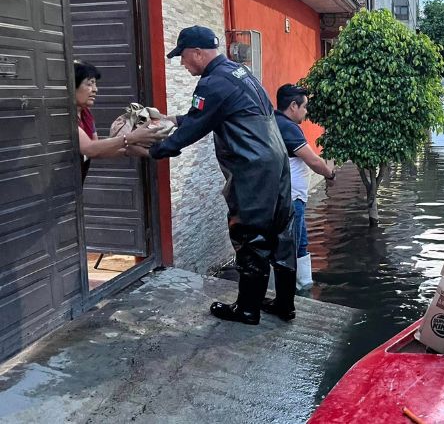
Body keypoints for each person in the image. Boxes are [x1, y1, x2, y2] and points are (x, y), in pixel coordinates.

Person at [129, 26, 295, 325]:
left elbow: (194, 128)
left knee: (251, 236)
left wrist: (153, 151)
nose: (183, 64)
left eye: (183, 57)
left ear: (197, 52)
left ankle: (247, 310)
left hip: (252, 167)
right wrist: (172, 119)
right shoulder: (238, 73)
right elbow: (212, 114)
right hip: (275, 159)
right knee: (280, 232)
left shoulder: (212, 82)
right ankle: (284, 304)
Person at [270, 83, 335, 292]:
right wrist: (330, 173)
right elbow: (313, 161)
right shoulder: (288, 127)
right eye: (305, 107)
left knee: (301, 244)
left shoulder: (273, 121)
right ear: (293, 106)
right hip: (291, 199)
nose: (306, 112)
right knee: (291, 246)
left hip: (291, 197)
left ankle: (304, 286)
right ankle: (290, 294)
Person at [74, 60, 164, 183]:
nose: (95, 89)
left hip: (77, 184)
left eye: (95, 84)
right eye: (89, 84)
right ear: (72, 86)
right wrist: (130, 138)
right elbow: (89, 149)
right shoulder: (64, 116)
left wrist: (135, 151)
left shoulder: (86, 114)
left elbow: (96, 149)